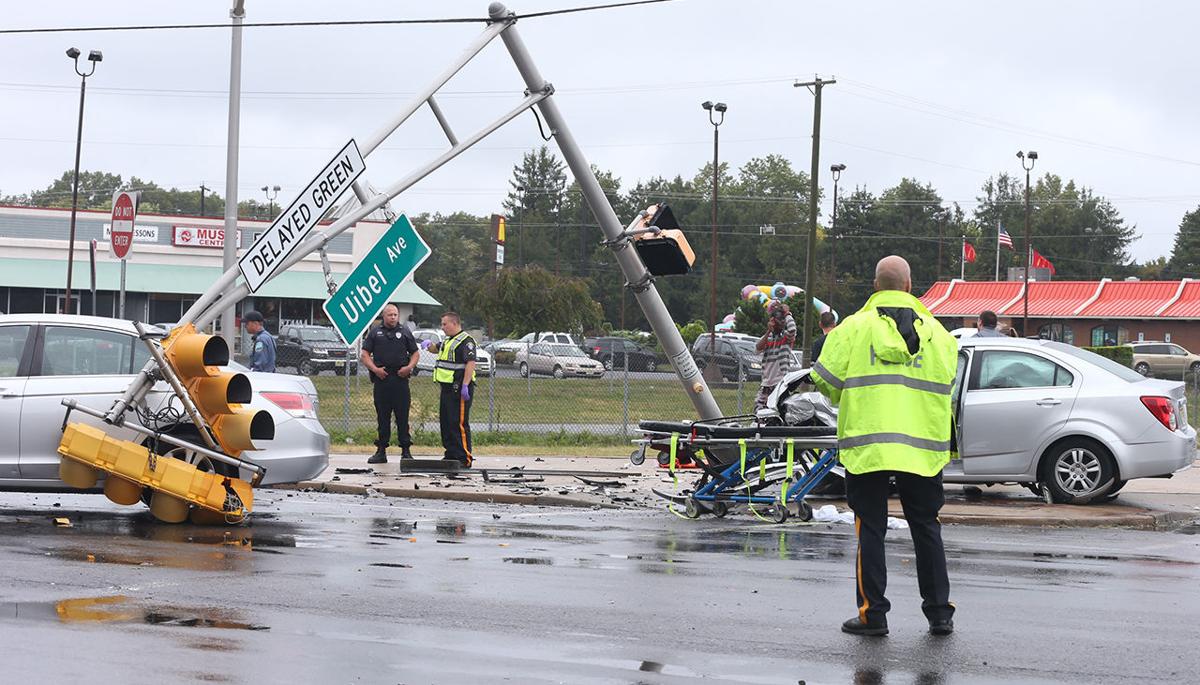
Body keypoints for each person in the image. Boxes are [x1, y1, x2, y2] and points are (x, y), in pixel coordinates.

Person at [810, 255, 958, 637]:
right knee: (926, 527)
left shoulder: (852, 330)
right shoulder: (940, 335)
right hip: (922, 449)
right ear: (910, 286)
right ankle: (939, 614)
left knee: (871, 529)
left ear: (876, 286)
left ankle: (872, 614)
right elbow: (947, 385)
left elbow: (825, 382)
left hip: (868, 445)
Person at [361, 303, 420, 464]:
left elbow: (415, 353)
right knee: (383, 417)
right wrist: (375, 369)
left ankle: (406, 451)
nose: (393, 317)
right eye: (390, 315)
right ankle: (381, 451)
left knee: (402, 417)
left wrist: (409, 367)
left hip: (400, 380)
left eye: (395, 315)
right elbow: (364, 355)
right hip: (382, 380)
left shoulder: (405, 332)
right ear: (384, 316)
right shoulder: (375, 333)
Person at [429, 311, 476, 467]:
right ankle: (451, 454)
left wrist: (465, 385)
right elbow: (437, 348)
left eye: (444, 324)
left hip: (459, 388)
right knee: (447, 422)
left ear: (454, 323)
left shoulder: (466, 341)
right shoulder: (449, 340)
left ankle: (464, 458)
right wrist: (428, 346)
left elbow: (470, 363)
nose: (442, 327)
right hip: (446, 388)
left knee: (458, 423)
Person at [754, 300, 797, 409]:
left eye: (783, 320)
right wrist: (768, 331)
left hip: (780, 382)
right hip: (766, 383)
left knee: (779, 410)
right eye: (778, 320)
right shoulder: (768, 337)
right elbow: (758, 347)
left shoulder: (786, 338)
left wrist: (787, 314)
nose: (781, 323)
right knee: (759, 411)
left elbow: (792, 330)